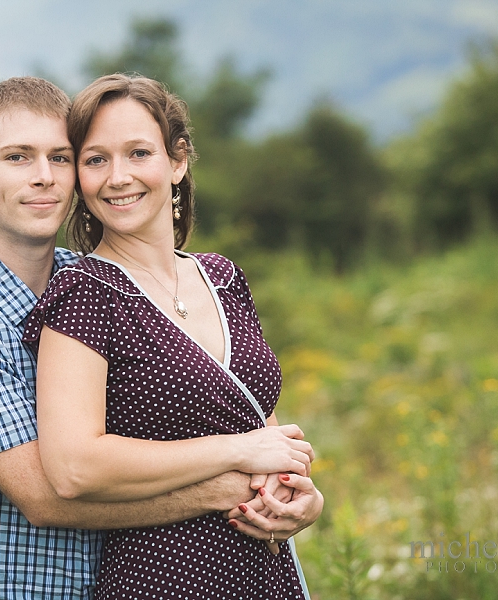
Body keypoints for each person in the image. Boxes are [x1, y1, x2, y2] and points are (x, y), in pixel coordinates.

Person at [0, 76, 321, 600]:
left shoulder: (104, 283)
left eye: (61, 157)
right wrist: (225, 487)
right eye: (18, 158)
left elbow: (236, 420)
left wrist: (292, 492)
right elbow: (48, 498)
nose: (44, 177)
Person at [23, 74, 323, 599]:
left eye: (138, 153)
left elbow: (263, 432)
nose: (118, 177)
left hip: (266, 573)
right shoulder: (85, 293)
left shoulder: (223, 277)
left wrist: (302, 496)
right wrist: (238, 450)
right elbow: (73, 467)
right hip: (164, 575)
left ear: (178, 161)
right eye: (95, 160)